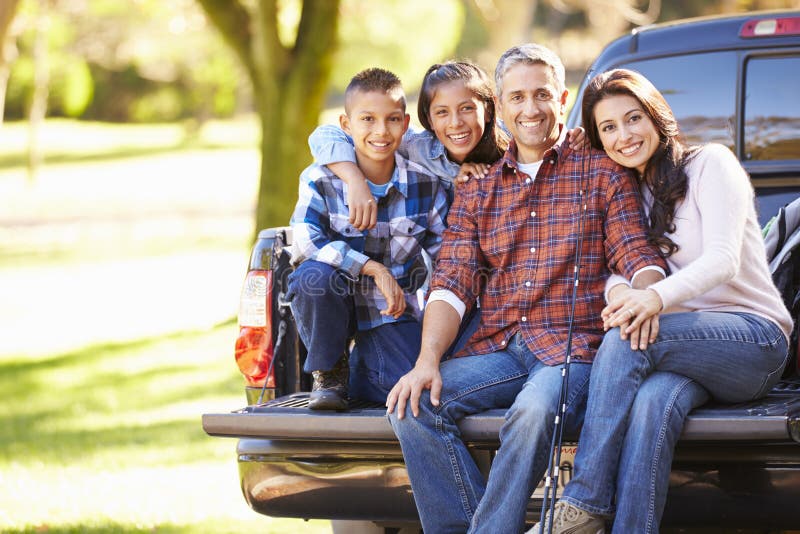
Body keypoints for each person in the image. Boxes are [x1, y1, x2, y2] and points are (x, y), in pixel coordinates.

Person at [384, 45, 667, 534]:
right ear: (501, 106)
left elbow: (636, 253)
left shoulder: (601, 173)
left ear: (562, 98)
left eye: (541, 95)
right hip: (501, 348)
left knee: (532, 411)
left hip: (572, 351)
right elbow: (452, 280)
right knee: (411, 407)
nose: (530, 108)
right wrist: (427, 361)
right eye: (517, 97)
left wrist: (649, 295)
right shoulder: (478, 189)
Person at [536, 69, 792, 534]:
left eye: (632, 118)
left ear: (656, 115)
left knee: (622, 341)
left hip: (752, 340)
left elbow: (723, 260)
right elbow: (614, 269)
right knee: (653, 401)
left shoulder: (711, 163)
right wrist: (625, 296)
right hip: (679, 348)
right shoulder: (627, 192)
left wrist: (651, 298)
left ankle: (587, 498)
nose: (624, 135)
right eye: (608, 128)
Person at [286, 68, 449, 410]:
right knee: (313, 275)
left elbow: (446, 253)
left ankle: (363, 370)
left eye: (391, 120)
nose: (380, 131)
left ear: (405, 125)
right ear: (346, 125)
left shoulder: (424, 184)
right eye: (367, 119)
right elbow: (304, 239)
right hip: (335, 304)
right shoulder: (321, 179)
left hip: (390, 312)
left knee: (415, 390)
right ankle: (330, 372)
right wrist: (373, 268)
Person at [308, 60, 586, 231]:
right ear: (427, 118)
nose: (455, 123)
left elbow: (546, 135)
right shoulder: (416, 147)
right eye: (442, 112)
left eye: (467, 109)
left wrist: (573, 139)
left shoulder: (513, 139)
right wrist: (355, 180)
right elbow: (324, 135)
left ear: (489, 111)